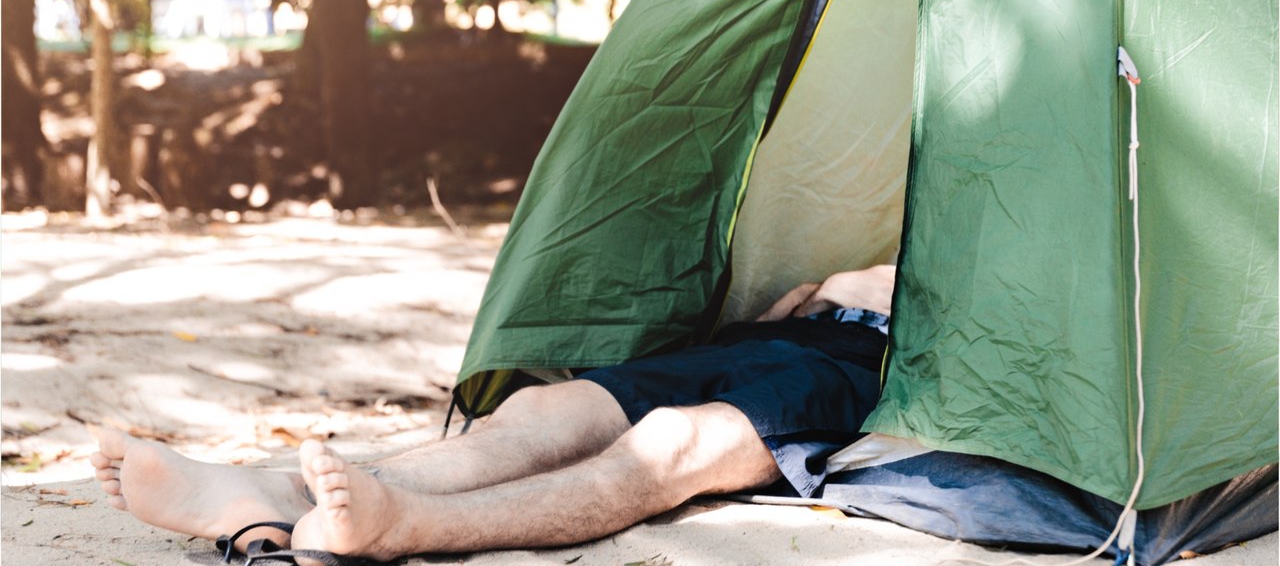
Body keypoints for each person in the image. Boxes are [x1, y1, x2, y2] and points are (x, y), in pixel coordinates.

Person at [91, 264, 896, 563]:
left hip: (873, 364)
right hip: (786, 332)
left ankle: (403, 525)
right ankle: (271, 496)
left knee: (671, 446)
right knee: (545, 409)